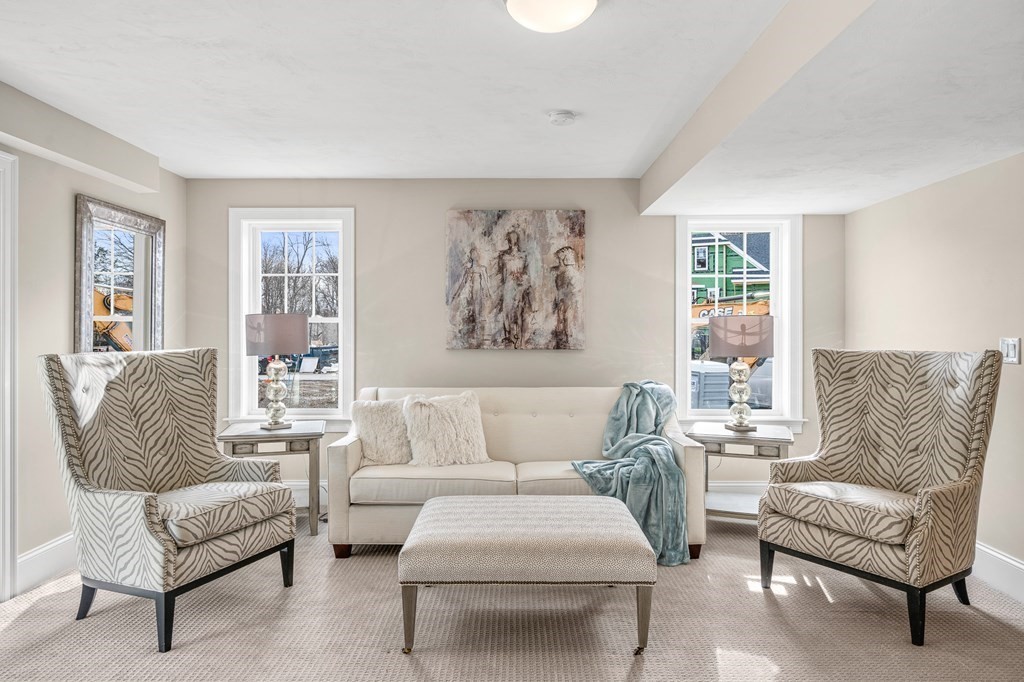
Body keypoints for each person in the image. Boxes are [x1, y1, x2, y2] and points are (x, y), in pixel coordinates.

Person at [493, 228, 535, 349]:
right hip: (508, 286)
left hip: (520, 286)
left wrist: (522, 278)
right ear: (508, 240)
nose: (512, 241)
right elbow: (500, 274)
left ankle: (521, 340)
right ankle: (510, 339)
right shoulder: (503, 256)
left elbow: (527, 273)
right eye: (510, 239)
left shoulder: (523, 256)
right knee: (508, 313)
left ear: (517, 240)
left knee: (520, 313)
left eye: (514, 238)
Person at [448, 245, 490, 347]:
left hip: (478, 293)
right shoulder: (468, 270)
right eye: (473, 253)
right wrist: (456, 294)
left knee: (478, 313)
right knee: (470, 313)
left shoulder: (482, 268)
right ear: (471, 256)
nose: (475, 255)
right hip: (469, 294)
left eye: (476, 253)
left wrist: (487, 293)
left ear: (478, 256)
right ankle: (472, 336)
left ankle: (478, 336)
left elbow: (485, 282)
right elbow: (463, 283)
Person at [551, 245, 583, 348]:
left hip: (571, 303)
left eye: (561, 260)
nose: (559, 263)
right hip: (562, 302)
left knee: (567, 320)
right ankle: (563, 338)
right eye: (559, 260)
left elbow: (574, 292)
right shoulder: (560, 274)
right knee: (561, 321)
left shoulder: (572, 274)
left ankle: (568, 339)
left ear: (566, 260)